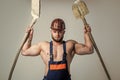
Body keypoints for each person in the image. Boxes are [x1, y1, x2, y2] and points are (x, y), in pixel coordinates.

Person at [21, 18, 94, 80]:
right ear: (51, 31)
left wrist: (86, 34)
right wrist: (29, 37)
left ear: (64, 32)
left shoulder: (70, 45)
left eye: (60, 31)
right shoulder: (43, 46)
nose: (57, 34)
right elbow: (24, 51)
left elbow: (89, 49)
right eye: (54, 31)